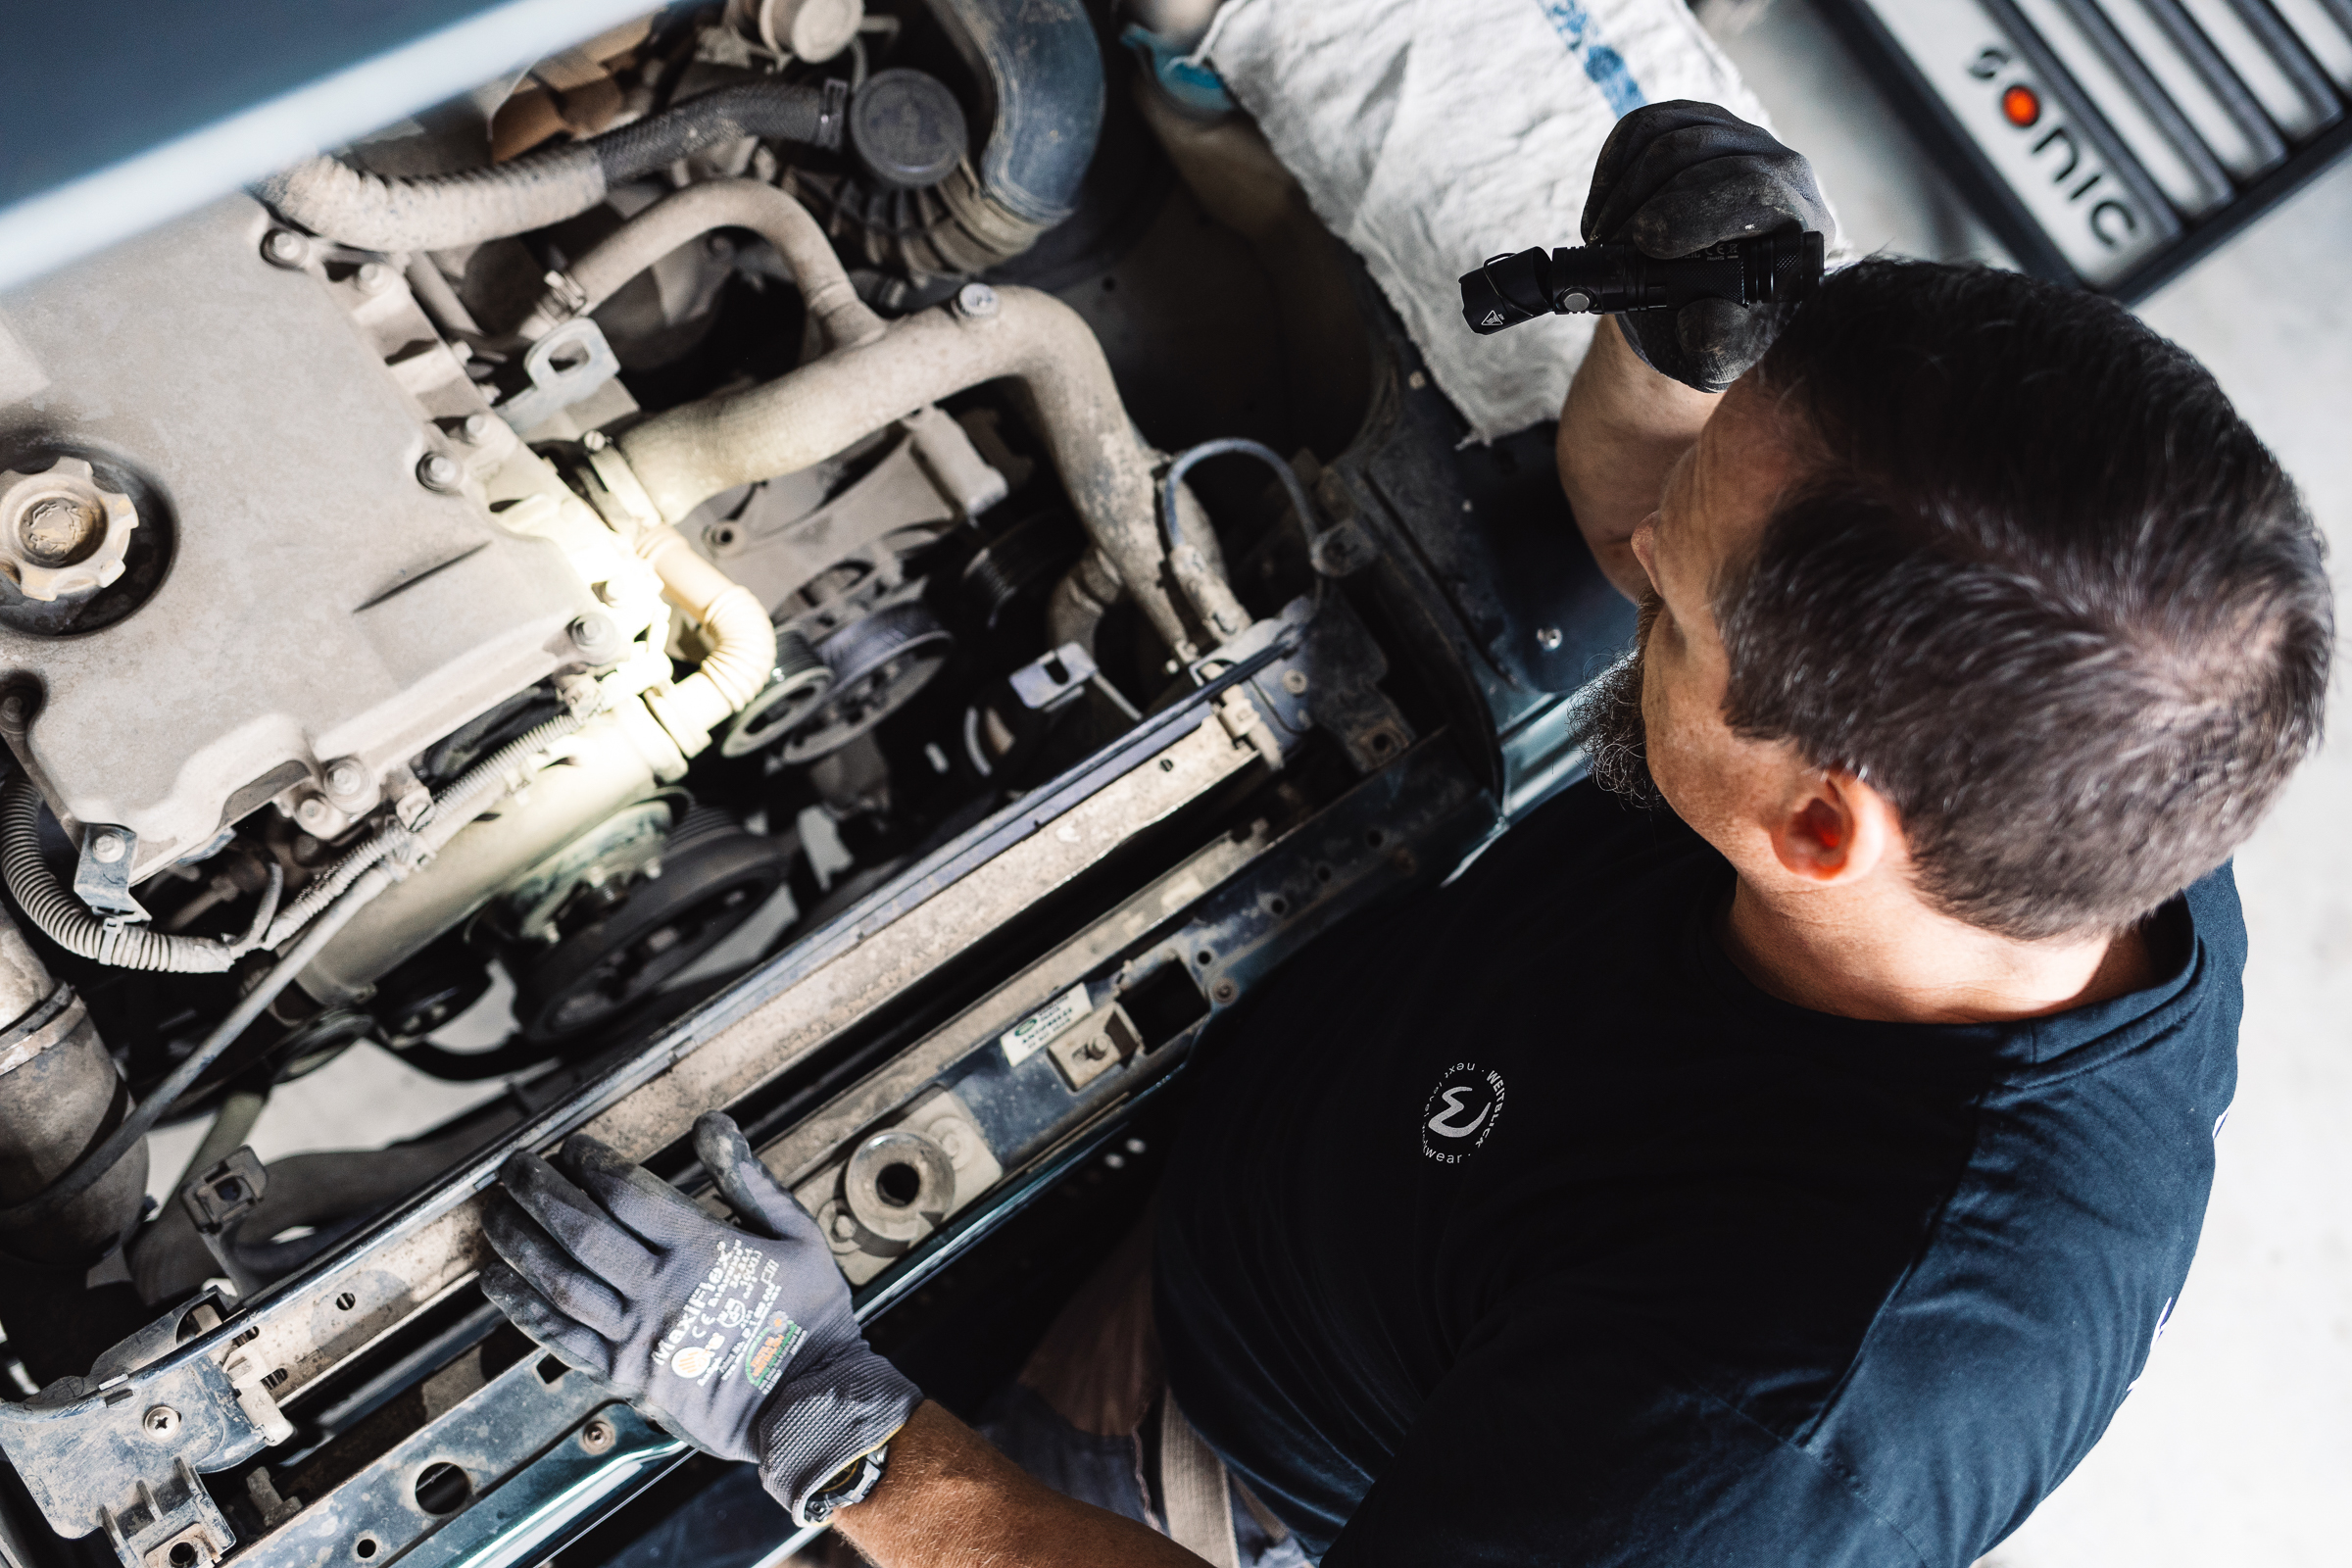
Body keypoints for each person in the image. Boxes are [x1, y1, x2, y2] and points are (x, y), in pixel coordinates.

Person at [472, 103, 2333, 1566]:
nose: (1636, 551)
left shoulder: (1758, 1436)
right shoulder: (2108, 723)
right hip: (1331, 1163)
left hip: (1210, 1465)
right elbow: (1691, 534)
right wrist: (1677, 360)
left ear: (1819, 830)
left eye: (1674, 610)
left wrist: (814, 1412)